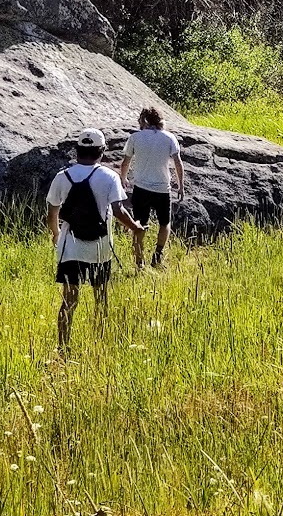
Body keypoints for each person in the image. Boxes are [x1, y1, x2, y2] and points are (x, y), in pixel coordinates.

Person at [46, 129, 144, 348]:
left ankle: (63, 346)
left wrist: (56, 235)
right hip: (100, 249)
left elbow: (52, 214)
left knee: (69, 300)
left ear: (78, 150)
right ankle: (100, 343)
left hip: (70, 248)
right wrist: (135, 228)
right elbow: (119, 211)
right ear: (101, 151)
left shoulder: (62, 177)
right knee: (101, 298)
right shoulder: (109, 177)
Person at [119, 105, 184, 269]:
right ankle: (158, 254)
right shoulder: (169, 138)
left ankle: (139, 261)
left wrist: (123, 178)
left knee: (139, 223)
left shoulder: (135, 137)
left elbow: (126, 161)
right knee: (164, 223)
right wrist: (180, 185)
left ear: (143, 120)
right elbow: (178, 163)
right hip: (163, 188)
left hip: (141, 187)